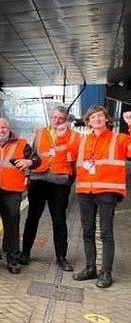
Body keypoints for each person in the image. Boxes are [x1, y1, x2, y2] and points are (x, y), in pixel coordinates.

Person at [68, 107, 131, 288]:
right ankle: (90, 268)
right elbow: (66, 155)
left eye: (100, 116)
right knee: (87, 231)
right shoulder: (81, 140)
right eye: (92, 117)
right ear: (87, 121)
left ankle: (106, 273)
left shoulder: (118, 138)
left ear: (106, 119)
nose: (96, 119)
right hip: (84, 192)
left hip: (107, 191)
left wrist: (130, 124)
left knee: (105, 233)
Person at [21, 107, 79, 271]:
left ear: (66, 119)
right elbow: (32, 156)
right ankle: (25, 253)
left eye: (60, 117)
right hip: (38, 180)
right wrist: (28, 175)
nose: (57, 120)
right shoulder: (40, 133)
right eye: (54, 117)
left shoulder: (74, 136)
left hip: (59, 184)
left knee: (59, 221)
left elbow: (75, 162)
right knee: (32, 218)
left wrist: (68, 180)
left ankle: (61, 257)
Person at [0, 118, 40, 274]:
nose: (1, 131)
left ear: (8, 128)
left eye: (4, 127)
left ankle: (13, 260)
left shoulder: (22, 144)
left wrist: (30, 162)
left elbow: (37, 160)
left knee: (11, 227)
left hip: (11, 193)